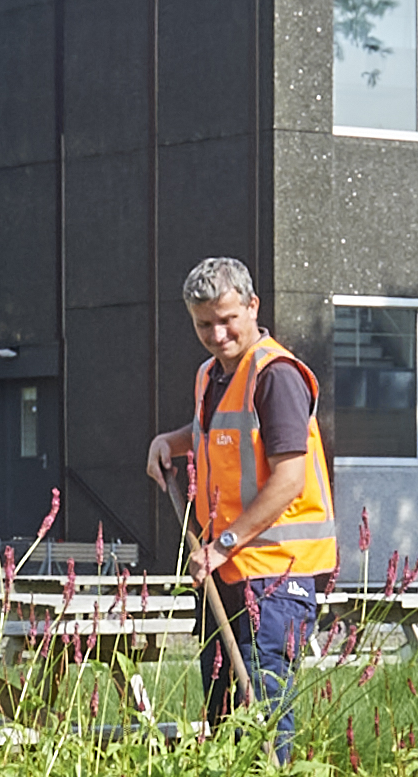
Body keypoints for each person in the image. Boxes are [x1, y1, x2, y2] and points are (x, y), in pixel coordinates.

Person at [141, 258, 332, 747]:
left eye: (228, 319)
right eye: (205, 323)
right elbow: (218, 435)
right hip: (224, 571)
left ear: (252, 306)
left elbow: (288, 479)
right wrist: (174, 441)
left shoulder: (275, 375)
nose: (218, 333)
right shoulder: (213, 375)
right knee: (225, 713)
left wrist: (224, 543)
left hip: (274, 572)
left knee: (264, 710)